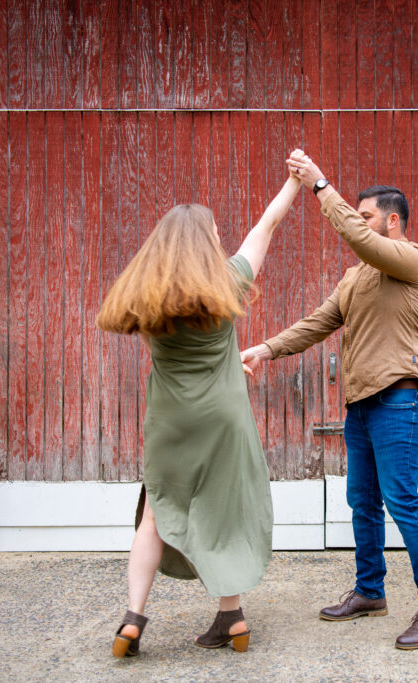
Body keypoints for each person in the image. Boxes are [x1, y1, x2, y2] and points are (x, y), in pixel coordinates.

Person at [241, 150, 418, 650]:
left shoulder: (414, 260)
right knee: (362, 500)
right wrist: (267, 348)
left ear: (393, 221)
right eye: (358, 216)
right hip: (362, 405)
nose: (360, 225)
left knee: (402, 499)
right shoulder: (356, 277)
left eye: (367, 216)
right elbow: (319, 322)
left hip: (403, 398)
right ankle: (370, 591)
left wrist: (320, 185)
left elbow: (358, 237)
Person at [96, 169, 302, 657]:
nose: (220, 236)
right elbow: (267, 226)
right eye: (214, 232)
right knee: (224, 513)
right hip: (224, 417)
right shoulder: (228, 281)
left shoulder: (147, 296)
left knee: (153, 516)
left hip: (171, 419)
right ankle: (233, 619)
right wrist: (294, 182)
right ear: (206, 240)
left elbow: (182, 352)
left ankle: (132, 620)